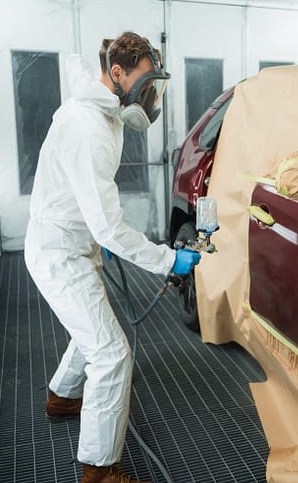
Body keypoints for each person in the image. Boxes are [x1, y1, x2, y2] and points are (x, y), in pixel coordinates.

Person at [24, 32, 201, 483]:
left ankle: (63, 397)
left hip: (77, 243)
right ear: (117, 74)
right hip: (59, 253)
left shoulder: (108, 109)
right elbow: (108, 226)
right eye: (146, 86)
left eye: (155, 87)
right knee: (112, 354)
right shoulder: (88, 129)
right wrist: (167, 260)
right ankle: (99, 470)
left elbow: (97, 216)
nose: (150, 99)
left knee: (93, 329)